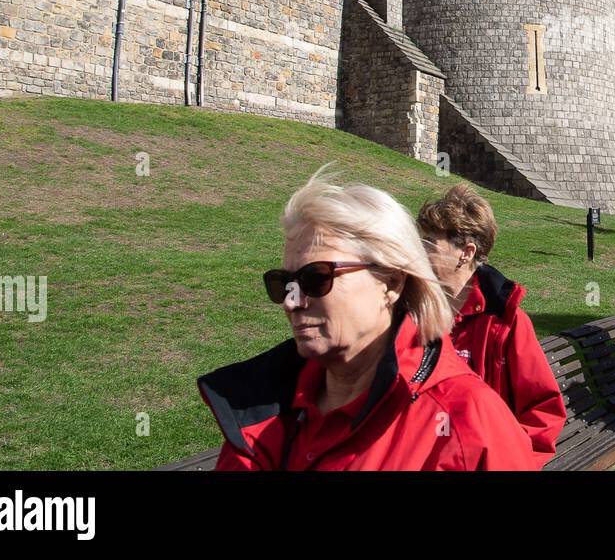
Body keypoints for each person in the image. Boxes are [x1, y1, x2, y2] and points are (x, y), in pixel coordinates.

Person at [197, 169, 537, 470]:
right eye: (282, 283)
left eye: (317, 278)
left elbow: (540, 412)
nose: (291, 301)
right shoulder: (263, 408)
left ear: (390, 283)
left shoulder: (467, 423)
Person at [417, 184, 566, 466]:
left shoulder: (506, 323)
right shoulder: (411, 315)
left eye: (429, 245)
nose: (418, 253)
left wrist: (509, 461)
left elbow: (543, 412)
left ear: (466, 252)